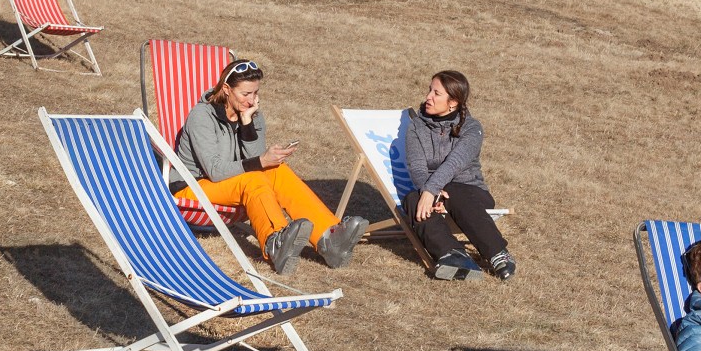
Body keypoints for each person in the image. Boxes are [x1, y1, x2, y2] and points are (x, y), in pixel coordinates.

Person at [171, 58, 367, 276]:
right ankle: (275, 241)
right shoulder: (202, 116)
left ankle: (329, 238)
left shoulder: (252, 114)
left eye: (255, 93)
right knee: (254, 177)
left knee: (277, 170)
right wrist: (260, 161)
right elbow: (215, 171)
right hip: (192, 187)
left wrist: (247, 124)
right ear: (226, 89)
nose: (251, 100)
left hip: (231, 185)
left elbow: (256, 160)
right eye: (245, 94)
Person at [402, 70, 516, 281]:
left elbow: (454, 164)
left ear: (453, 102)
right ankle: (453, 254)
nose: (428, 97)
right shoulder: (416, 127)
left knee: (453, 190)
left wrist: (431, 191)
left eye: (436, 93)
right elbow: (417, 167)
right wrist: (432, 194)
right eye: (429, 90)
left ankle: (497, 252)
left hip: (470, 194)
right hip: (433, 193)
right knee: (411, 199)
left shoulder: (472, 128)